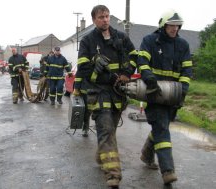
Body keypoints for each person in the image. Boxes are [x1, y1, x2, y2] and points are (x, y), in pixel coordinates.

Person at [73, 5, 138, 188]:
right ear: (94, 20)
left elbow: (134, 56)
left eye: (107, 16)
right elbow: (84, 69)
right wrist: (103, 72)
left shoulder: (121, 37)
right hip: (98, 92)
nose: (105, 20)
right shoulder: (88, 41)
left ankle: (102, 154)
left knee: (110, 130)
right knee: (106, 129)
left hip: (118, 92)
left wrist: (126, 73)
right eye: (101, 17)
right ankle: (113, 174)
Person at [137, 10, 193, 184]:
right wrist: (150, 79)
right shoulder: (149, 41)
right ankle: (168, 170)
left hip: (173, 95)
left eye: (177, 25)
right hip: (153, 92)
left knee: (162, 125)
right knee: (162, 128)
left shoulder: (183, 45)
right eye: (171, 25)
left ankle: (146, 154)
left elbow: (187, 70)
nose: (175, 29)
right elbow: (142, 63)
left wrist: (182, 90)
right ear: (163, 25)